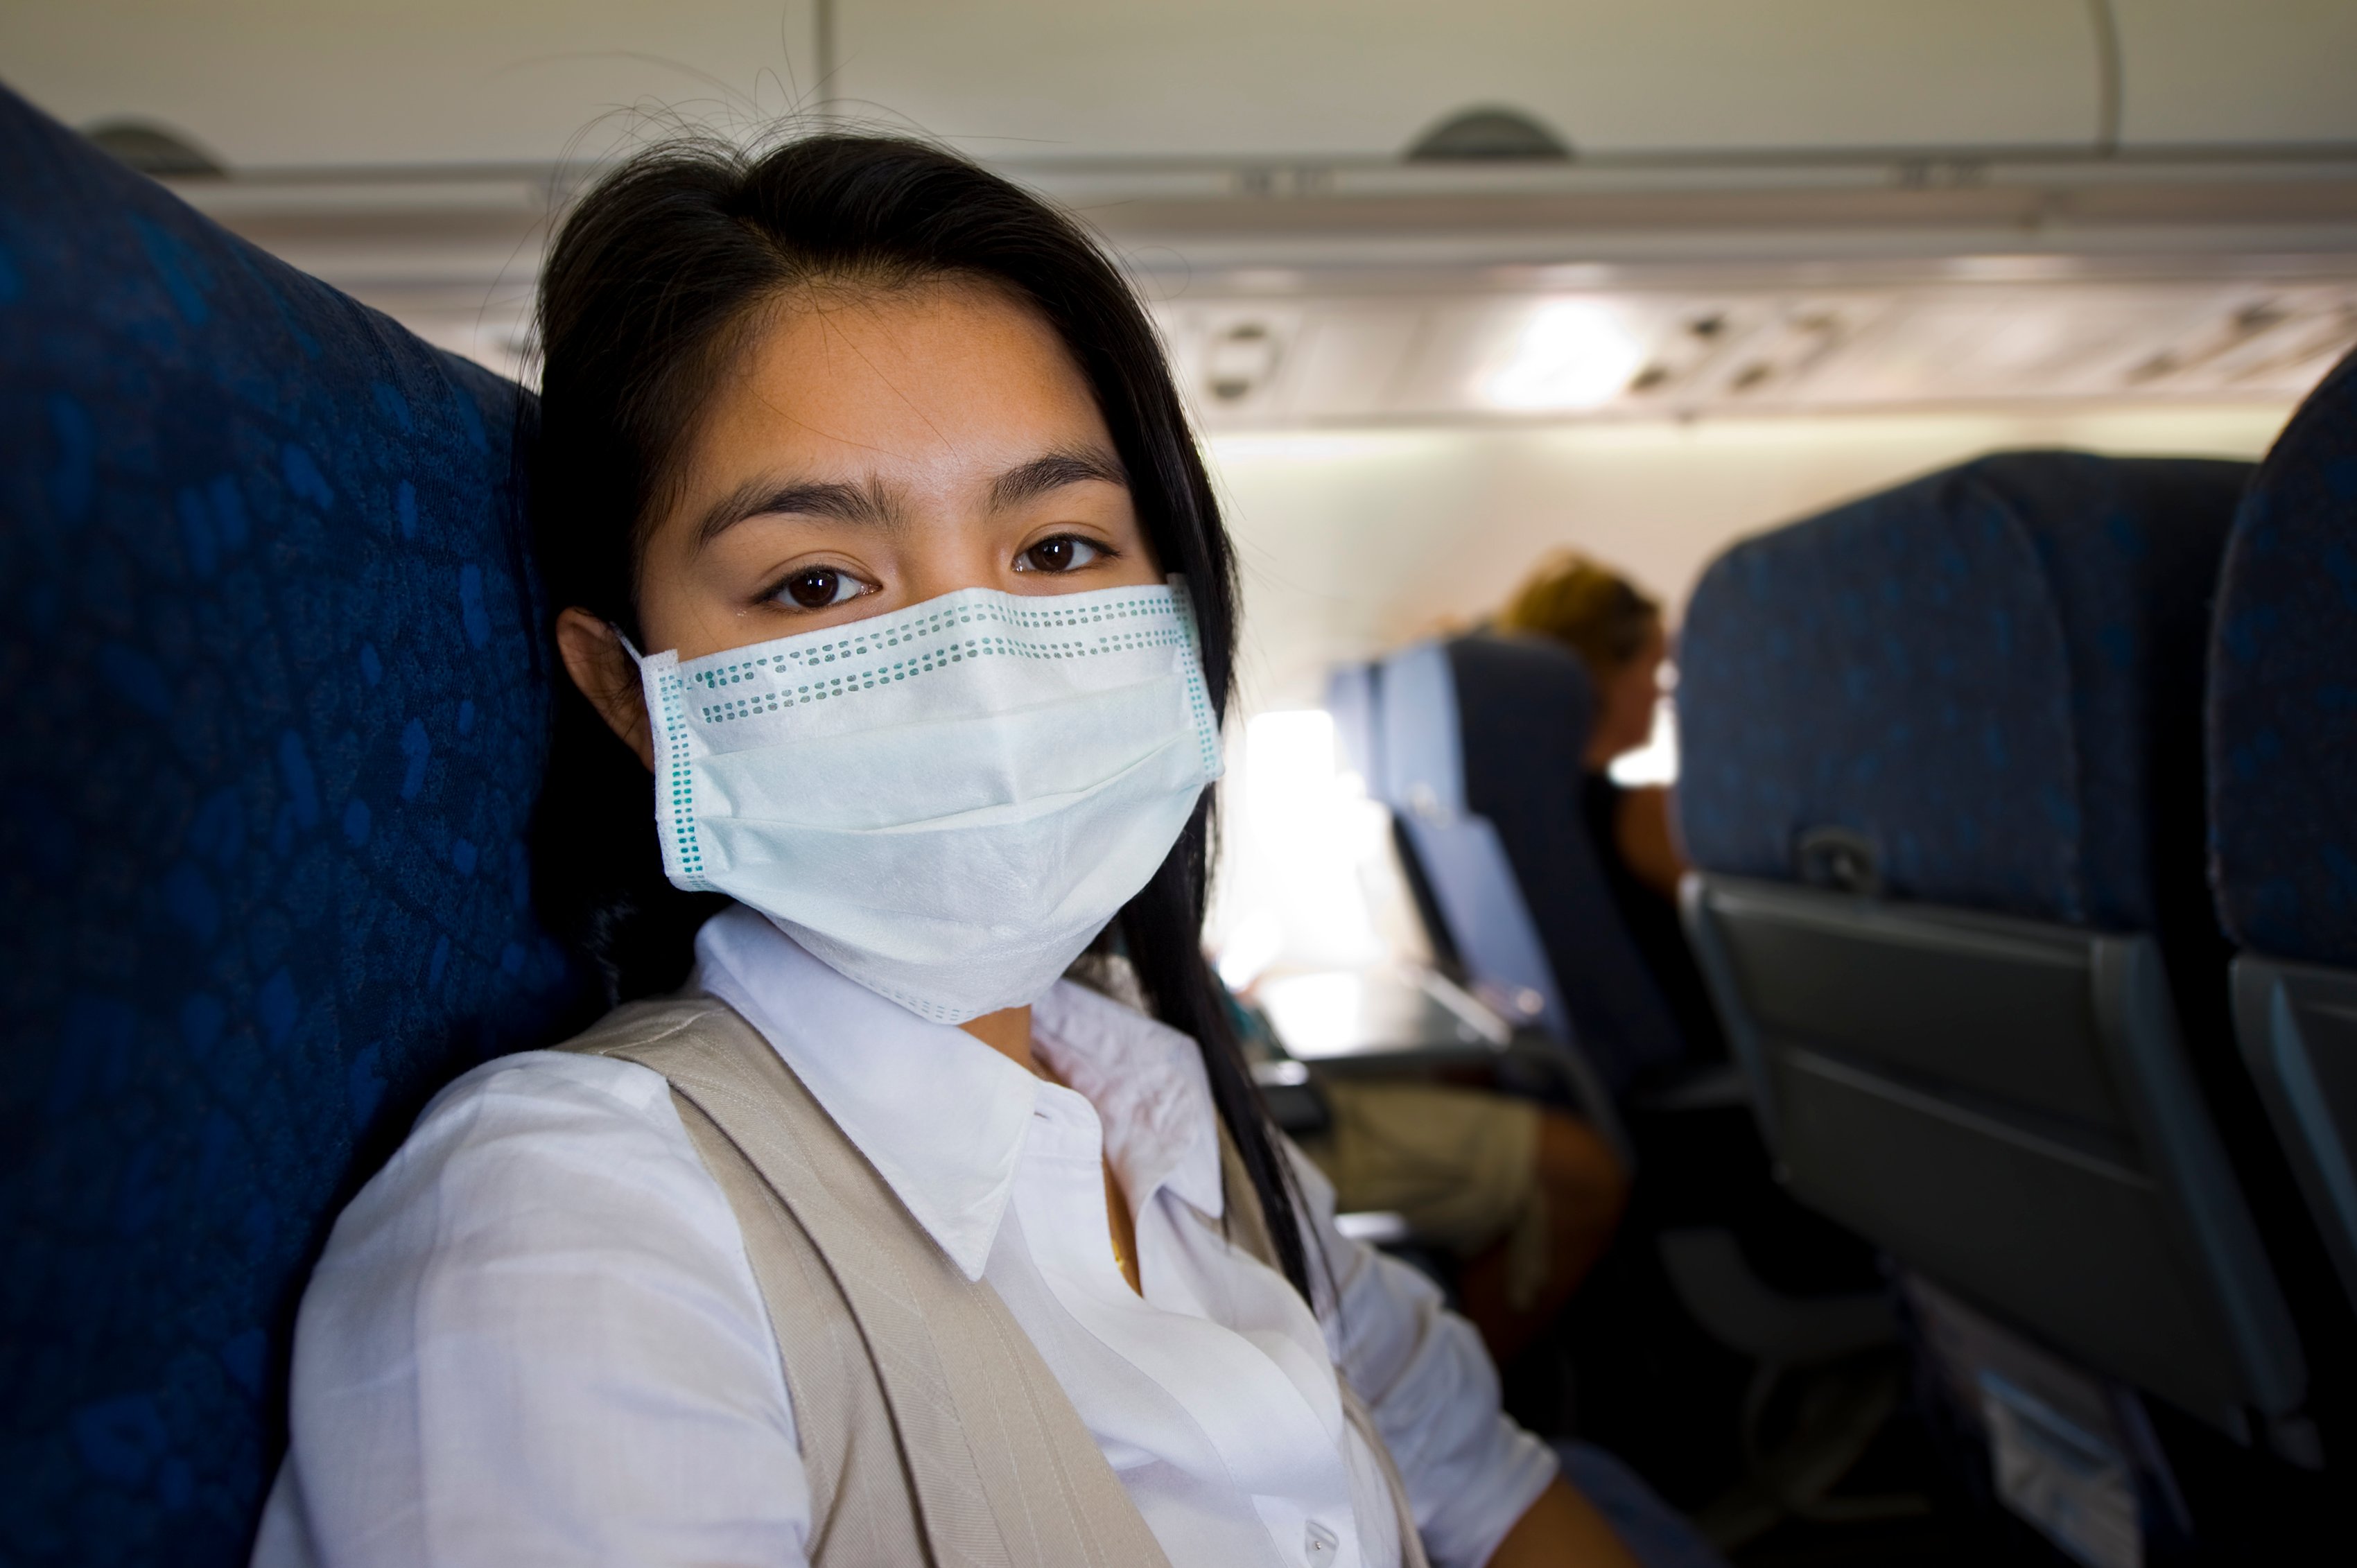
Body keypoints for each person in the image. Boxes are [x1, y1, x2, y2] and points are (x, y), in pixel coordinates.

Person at [250, 134, 1726, 1567]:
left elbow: (1468, 1471)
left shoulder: (1162, 1098)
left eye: (1058, 551)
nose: (978, 668)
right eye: (817, 580)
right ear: (629, 691)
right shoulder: (570, 1231)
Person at [1495, 554, 1724, 1062]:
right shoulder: (1642, 813)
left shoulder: (1530, 807)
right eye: (1655, 667)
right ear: (1599, 674)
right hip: (1709, 1065)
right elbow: (1749, 952)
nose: (1665, 692)